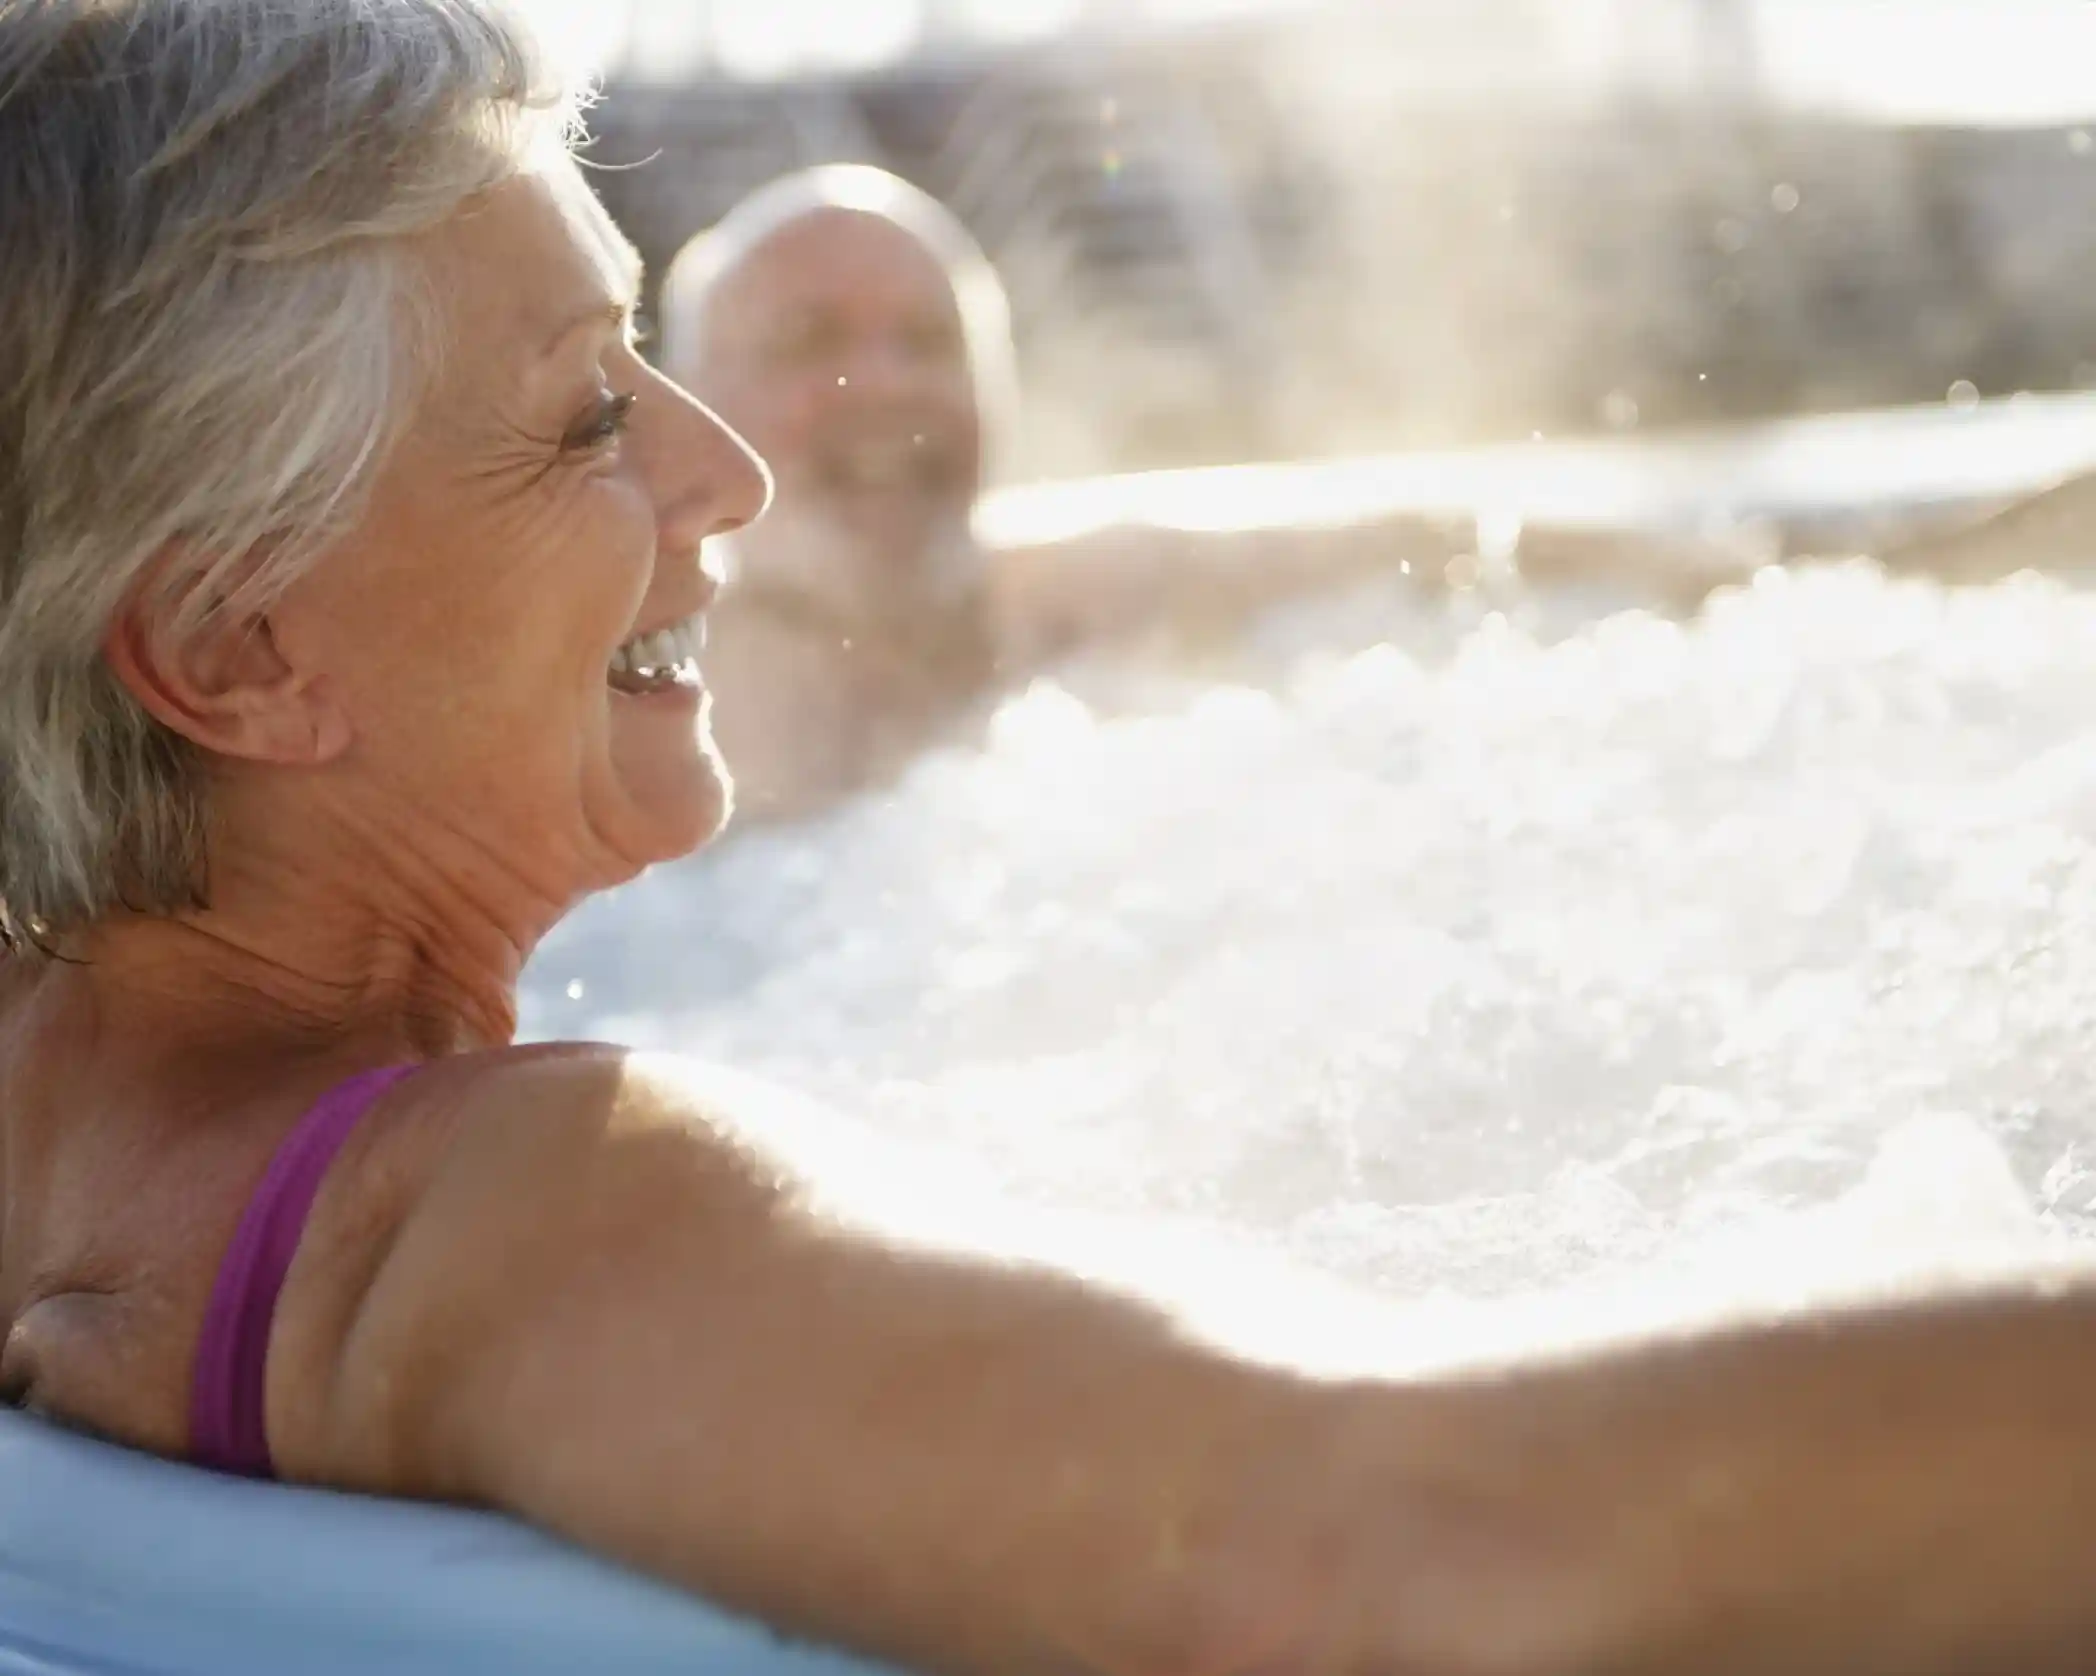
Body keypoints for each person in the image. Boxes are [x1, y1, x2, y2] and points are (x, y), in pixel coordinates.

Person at [11, 5, 2096, 1674]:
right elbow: (1379, 1562)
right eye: (587, 414)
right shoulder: (503, 1215)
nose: (728, 471)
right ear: (232, 645)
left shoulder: (67, 1083)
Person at [661, 168, 1751, 821]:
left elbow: (1426, 546)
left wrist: (1734, 575)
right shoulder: (613, 689)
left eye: (928, 341)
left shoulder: (1096, 595)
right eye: (810, 341)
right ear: (691, 405)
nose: (889, 383)